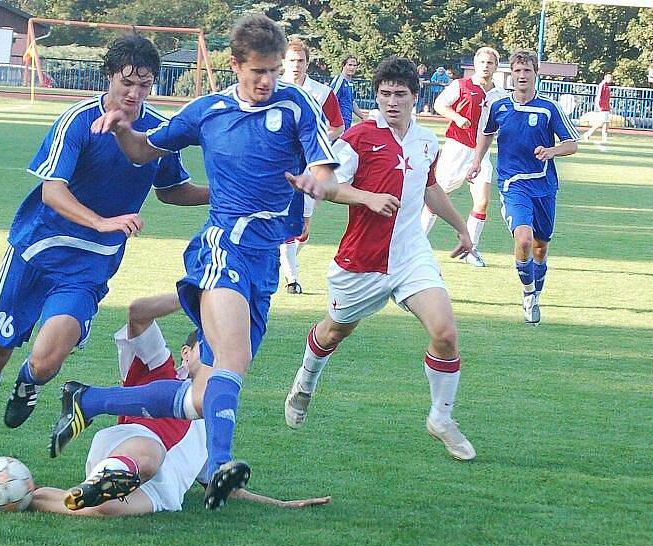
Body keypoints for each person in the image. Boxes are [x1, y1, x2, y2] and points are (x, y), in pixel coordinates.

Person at [82, 14, 397, 511]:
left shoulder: (295, 105)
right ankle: (222, 465)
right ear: (236, 66)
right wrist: (122, 131)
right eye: (258, 72)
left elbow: (322, 168)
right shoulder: (206, 111)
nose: (269, 80)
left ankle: (89, 400)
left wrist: (319, 182)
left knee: (213, 391)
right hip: (221, 248)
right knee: (233, 361)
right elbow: (144, 153)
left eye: (274, 70)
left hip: (263, 262)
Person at [0, 34, 208, 477]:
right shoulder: (80, 120)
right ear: (109, 76)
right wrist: (102, 221)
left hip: (87, 269)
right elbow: (52, 191)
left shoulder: (157, 132)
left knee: (46, 363)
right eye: (127, 82)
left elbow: (171, 190)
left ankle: (29, 383)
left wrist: (225, 195)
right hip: (36, 254)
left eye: (145, 85)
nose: (135, 93)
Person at [0, 294, 331, 515]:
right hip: (131, 445)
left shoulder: (215, 417)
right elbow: (137, 313)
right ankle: (110, 476)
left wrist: (283, 505)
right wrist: (198, 294)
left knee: (96, 511)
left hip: (163, 492)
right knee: (149, 452)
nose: (212, 366)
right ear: (187, 354)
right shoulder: (160, 367)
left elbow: (220, 484)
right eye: (204, 355)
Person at [283, 56, 476, 462]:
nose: (391, 101)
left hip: (410, 256)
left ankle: (441, 419)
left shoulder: (426, 141)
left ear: (414, 97)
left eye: (399, 94)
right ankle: (304, 382)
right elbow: (326, 184)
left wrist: (461, 227)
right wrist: (366, 197)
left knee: (445, 333)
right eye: (384, 94)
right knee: (334, 333)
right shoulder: (358, 137)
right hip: (362, 260)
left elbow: (430, 187)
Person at [466, 49, 579, 325]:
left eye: (527, 71)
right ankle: (528, 294)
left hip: (544, 186)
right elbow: (486, 134)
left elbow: (572, 144)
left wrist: (552, 151)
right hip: (513, 184)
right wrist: (476, 162)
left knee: (540, 248)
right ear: (511, 75)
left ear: (535, 74)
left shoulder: (548, 108)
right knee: (524, 240)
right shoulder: (499, 106)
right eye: (517, 71)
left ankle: (536, 292)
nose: (521, 76)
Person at [422, 47, 509, 267]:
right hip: (457, 148)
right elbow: (440, 104)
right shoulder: (460, 85)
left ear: (496, 67)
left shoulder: (499, 94)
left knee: (483, 201)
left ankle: (471, 250)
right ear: (475, 64)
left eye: (490, 63)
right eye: (482, 62)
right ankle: (418, 243)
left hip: (482, 153)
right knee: (438, 197)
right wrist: (457, 118)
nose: (485, 66)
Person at [280, 37, 345, 293]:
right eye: (292, 60)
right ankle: (292, 279)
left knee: (302, 228)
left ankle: (285, 257)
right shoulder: (273, 87)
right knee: (281, 220)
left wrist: (314, 143)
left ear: (308, 63)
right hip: (281, 166)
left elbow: (338, 126)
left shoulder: (322, 92)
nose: (296, 65)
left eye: (301, 61)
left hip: (311, 167)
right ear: (284, 62)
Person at [331, 55, 368, 130]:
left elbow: (352, 102)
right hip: (338, 126)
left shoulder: (350, 83)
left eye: (355, 65)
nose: (352, 68)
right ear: (343, 66)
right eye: (350, 65)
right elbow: (330, 101)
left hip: (347, 124)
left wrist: (363, 117)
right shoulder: (339, 80)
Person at [583, 72, 612, 149]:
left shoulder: (607, 86)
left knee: (606, 123)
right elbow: (598, 96)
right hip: (602, 107)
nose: (610, 79)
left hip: (606, 107)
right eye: (609, 78)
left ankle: (604, 138)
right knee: (601, 123)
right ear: (605, 78)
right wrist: (598, 106)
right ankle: (588, 134)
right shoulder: (602, 85)